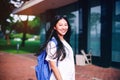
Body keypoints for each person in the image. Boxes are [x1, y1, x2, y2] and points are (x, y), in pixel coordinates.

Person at [36, 15, 75, 80]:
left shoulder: (65, 42)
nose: (64, 27)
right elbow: (53, 66)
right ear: (55, 27)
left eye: (65, 25)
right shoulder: (52, 44)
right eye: (60, 25)